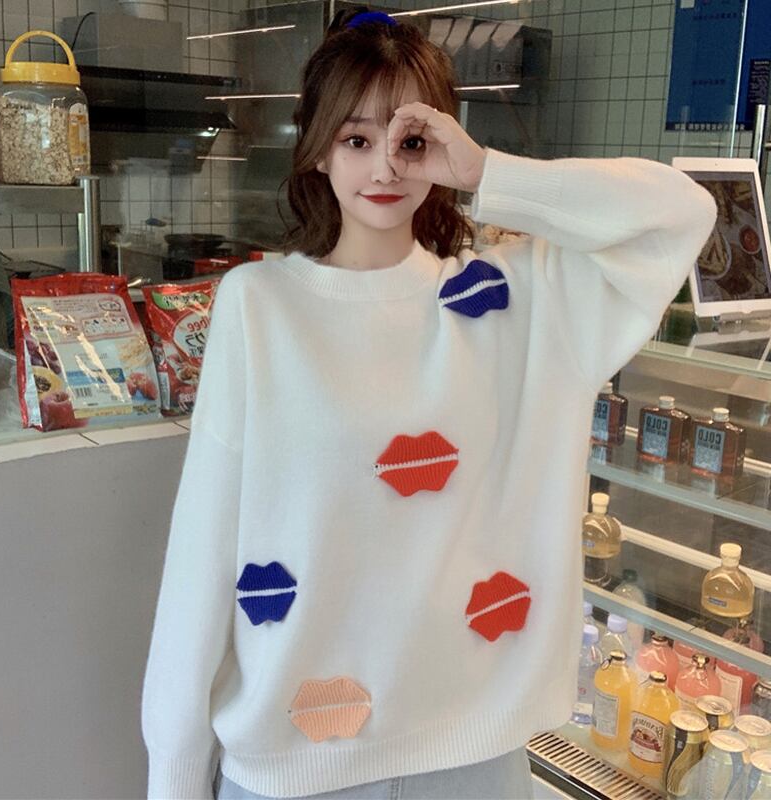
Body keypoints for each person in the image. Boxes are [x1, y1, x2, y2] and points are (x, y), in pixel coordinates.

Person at [141, 9, 716, 800]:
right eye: (355, 139)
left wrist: (487, 172)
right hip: (296, 760)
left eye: (409, 141)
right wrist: (174, 771)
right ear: (318, 148)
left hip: (471, 755)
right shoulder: (262, 304)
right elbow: (203, 548)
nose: (384, 166)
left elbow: (683, 214)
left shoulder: (513, 300)